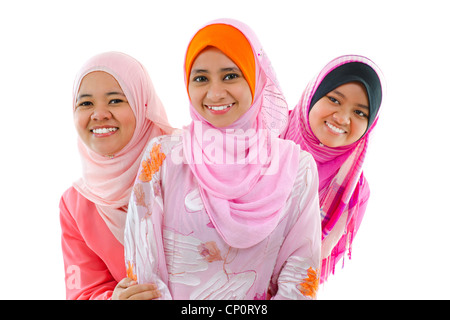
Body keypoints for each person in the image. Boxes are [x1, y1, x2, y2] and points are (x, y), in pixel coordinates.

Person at [124, 19, 321, 300]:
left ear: (256, 77)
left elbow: (301, 276)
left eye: (230, 76)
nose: (215, 93)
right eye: (201, 78)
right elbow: (143, 266)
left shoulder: (296, 167)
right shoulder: (164, 157)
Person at [59, 51, 173, 299]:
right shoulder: (75, 204)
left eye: (115, 101)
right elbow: (82, 291)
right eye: (86, 103)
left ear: (144, 104)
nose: (99, 114)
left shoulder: (185, 163)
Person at [281, 55, 384, 282]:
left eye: (359, 112)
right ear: (314, 95)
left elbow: (311, 276)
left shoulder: (352, 192)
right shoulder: (264, 135)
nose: (342, 118)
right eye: (335, 100)